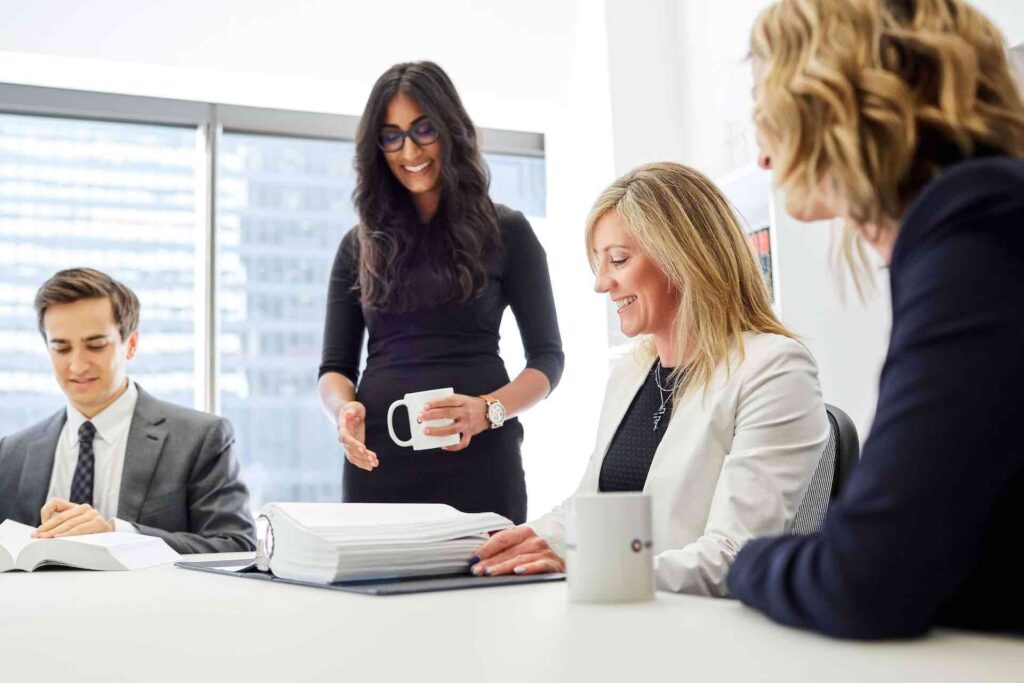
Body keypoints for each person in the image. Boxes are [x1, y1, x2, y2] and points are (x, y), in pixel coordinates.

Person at [727, 0, 1024, 638]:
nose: (764, 160)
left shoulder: (978, 231)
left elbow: (866, 579)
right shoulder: (980, 224)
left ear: (832, 99)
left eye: (766, 109)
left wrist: (742, 565)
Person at [472, 162, 829, 595]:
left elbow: (736, 555)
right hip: (624, 615)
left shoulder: (774, 369)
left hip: (703, 632)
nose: (602, 284)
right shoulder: (632, 371)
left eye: (618, 260)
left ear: (683, 256)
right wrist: (522, 542)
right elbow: (590, 507)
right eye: (599, 264)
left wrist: (584, 565)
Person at [317, 61, 564, 524]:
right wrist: (342, 412)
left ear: (451, 130)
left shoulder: (508, 231)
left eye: (423, 129)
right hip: (379, 465)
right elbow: (334, 369)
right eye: (391, 136)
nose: (409, 150)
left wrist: (487, 411)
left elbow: (549, 360)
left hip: (481, 465)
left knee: (488, 594)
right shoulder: (358, 245)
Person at [0, 268, 256, 554]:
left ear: (131, 344)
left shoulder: (200, 438)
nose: (78, 365)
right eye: (61, 349)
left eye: (95, 346)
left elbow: (236, 545)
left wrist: (117, 535)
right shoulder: (11, 452)